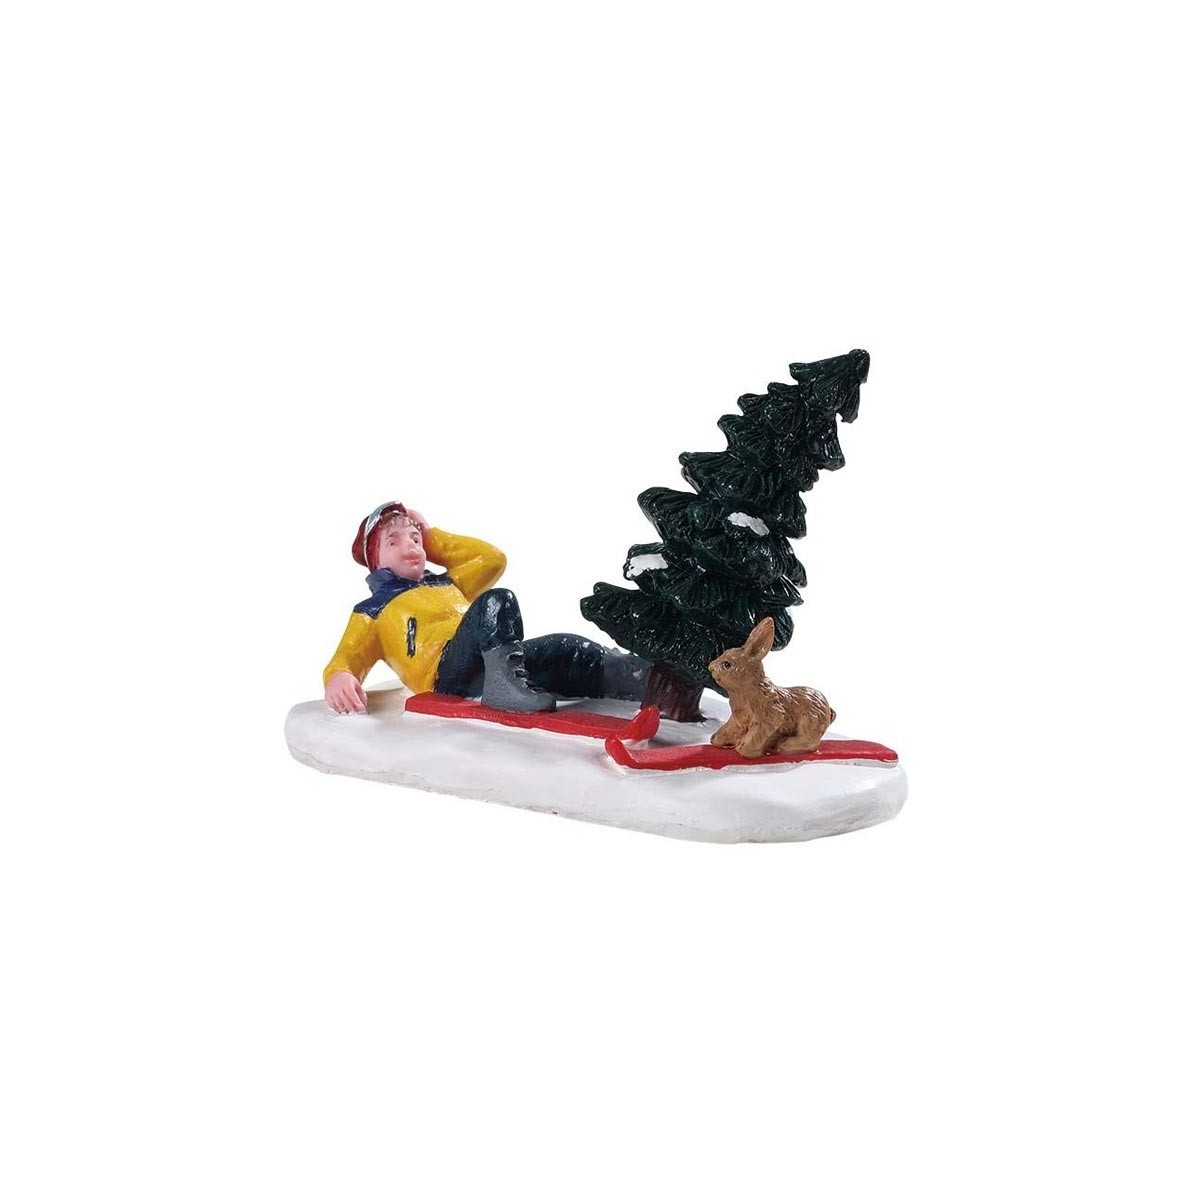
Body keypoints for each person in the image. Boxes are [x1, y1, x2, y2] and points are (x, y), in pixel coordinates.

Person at [324, 501, 650, 714]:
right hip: (446, 676)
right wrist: (338, 678)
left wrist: (432, 536)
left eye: (415, 539)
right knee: (497, 602)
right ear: (375, 559)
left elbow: (492, 559)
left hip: (491, 665)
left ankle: (640, 678)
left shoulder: (447, 583)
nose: (409, 546)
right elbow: (347, 657)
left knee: (566, 647)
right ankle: (503, 689)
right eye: (393, 541)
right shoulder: (374, 610)